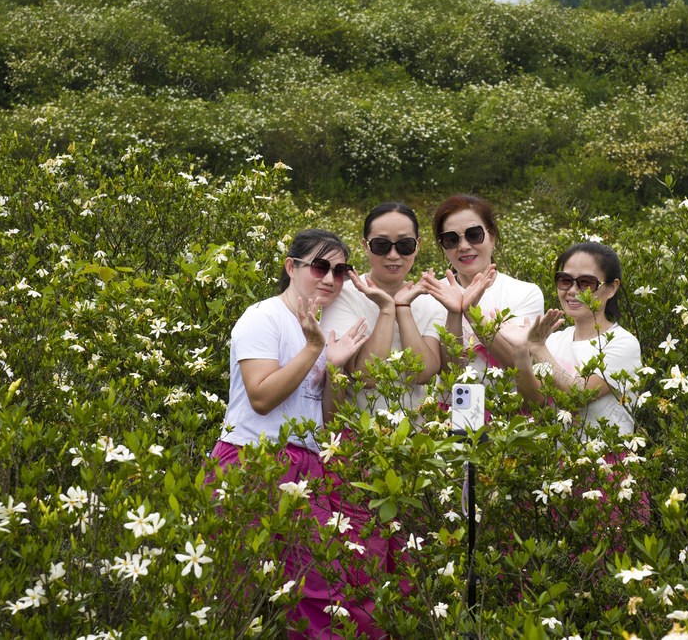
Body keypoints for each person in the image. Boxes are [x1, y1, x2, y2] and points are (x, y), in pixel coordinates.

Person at [207, 228, 384, 639]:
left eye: (340, 272)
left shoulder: (317, 329)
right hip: (251, 460)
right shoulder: (262, 316)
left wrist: (333, 366)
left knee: (318, 591)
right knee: (233, 591)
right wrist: (311, 350)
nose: (330, 279)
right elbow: (262, 397)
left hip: (307, 467)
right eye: (320, 267)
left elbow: (324, 416)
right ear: (291, 267)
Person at [499, 241, 642, 436]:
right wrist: (521, 351)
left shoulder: (623, 343)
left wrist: (538, 347)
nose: (572, 291)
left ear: (611, 288)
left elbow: (580, 395)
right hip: (557, 464)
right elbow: (533, 403)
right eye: (565, 280)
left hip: (605, 462)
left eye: (586, 283)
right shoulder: (554, 341)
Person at [320, 203, 445, 412]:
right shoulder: (343, 296)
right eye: (381, 245)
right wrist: (387, 309)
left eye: (405, 245)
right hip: (360, 436)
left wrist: (403, 306)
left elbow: (422, 374)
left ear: (418, 245)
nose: (394, 255)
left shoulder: (430, 300)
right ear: (366, 246)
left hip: (420, 436)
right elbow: (367, 376)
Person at [420, 195, 544, 379]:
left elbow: (517, 364)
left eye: (474, 235)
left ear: (492, 238)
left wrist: (471, 312)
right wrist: (454, 313)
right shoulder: (430, 296)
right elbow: (449, 373)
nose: (463, 246)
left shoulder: (525, 293)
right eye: (451, 239)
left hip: (508, 407)